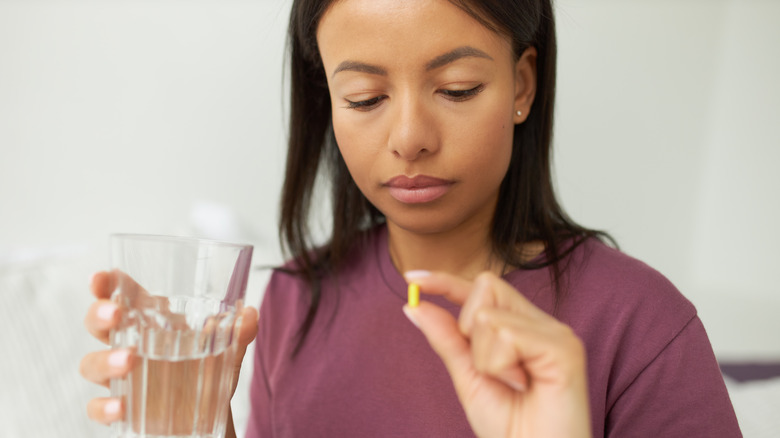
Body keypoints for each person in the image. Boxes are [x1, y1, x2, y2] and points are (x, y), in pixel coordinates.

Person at [80, 0, 742, 436]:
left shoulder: (642, 325)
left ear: (522, 85)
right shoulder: (292, 302)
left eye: (456, 90)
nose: (410, 138)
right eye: (365, 98)